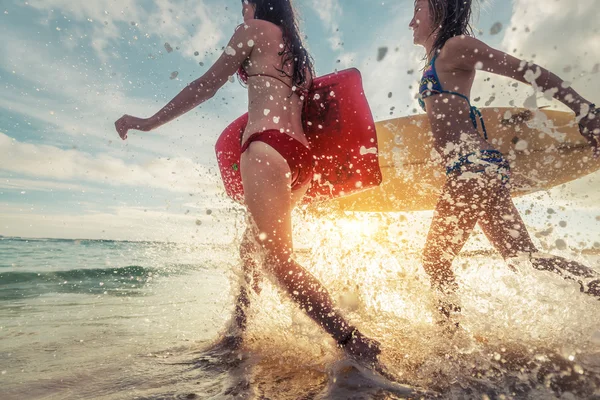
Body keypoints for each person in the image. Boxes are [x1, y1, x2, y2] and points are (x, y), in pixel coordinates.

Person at [114, 0, 380, 364]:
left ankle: (353, 341)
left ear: (255, 3)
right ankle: (239, 330)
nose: (242, 12)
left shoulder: (253, 31)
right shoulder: (296, 54)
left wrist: (147, 121)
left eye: (244, 4)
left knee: (278, 263)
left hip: (266, 149)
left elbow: (205, 85)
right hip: (300, 160)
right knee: (251, 247)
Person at [408, 0, 600, 322]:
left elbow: (527, 71)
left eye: (418, 8)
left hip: (472, 168)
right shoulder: (437, 58)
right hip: (481, 168)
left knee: (435, 261)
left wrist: (584, 110)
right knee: (523, 257)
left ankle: (448, 344)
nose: (411, 21)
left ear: (440, 9)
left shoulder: (456, 46)